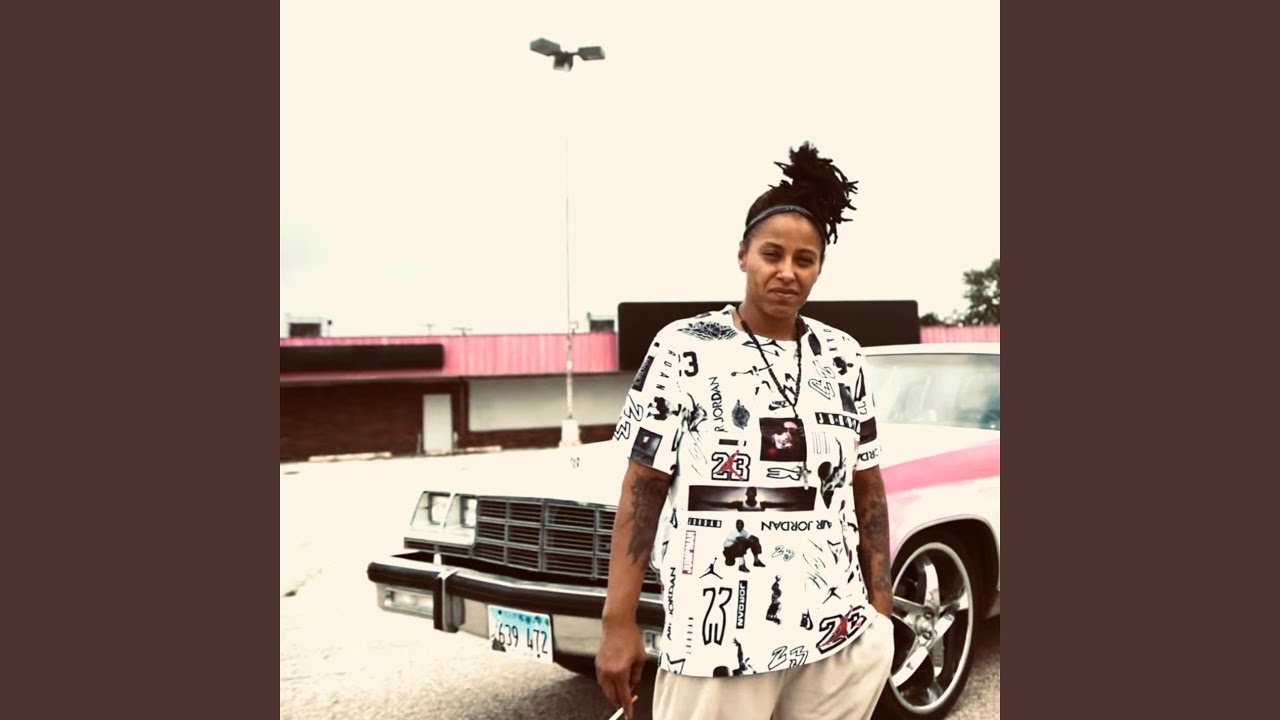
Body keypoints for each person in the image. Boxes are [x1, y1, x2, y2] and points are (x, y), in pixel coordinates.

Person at [596, 143, 895, 720]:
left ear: (819, 268)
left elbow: (868, 486)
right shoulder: (684, 347)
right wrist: (617, 622)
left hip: (837, 634)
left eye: (805, 259)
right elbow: (643, 486)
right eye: (771, 254)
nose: (787, 272)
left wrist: (878, 615)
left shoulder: (843, 355)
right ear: (742, 255)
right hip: (719, 645)